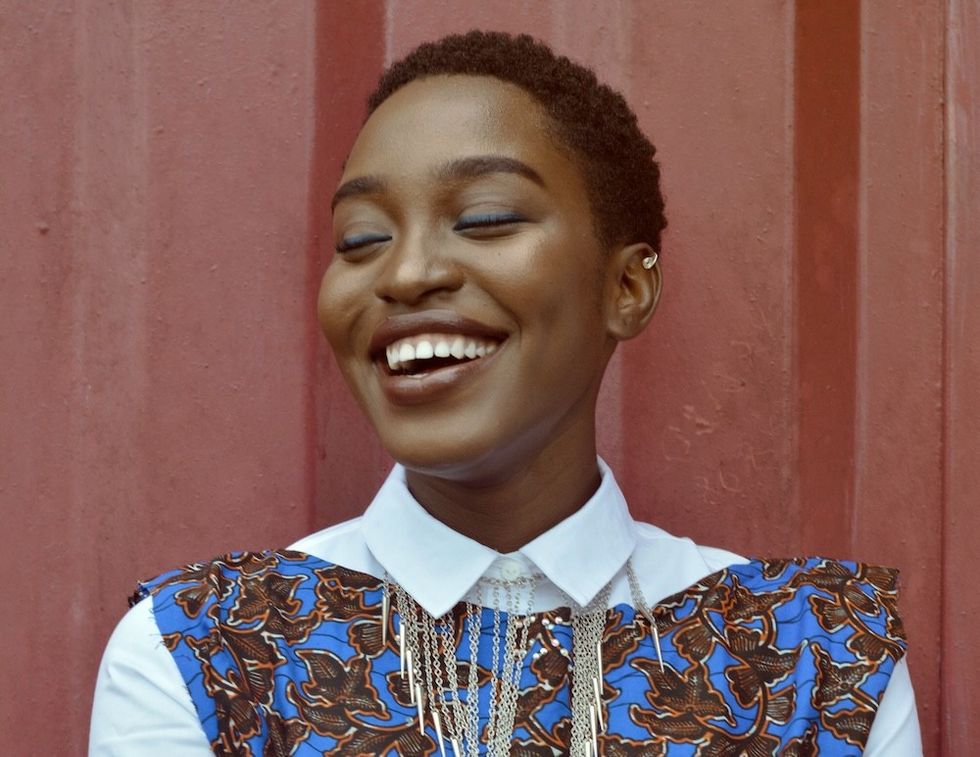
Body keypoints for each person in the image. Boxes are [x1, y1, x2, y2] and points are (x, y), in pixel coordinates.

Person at [90, 30, 921, 756]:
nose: (408, 271)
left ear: (626, 287)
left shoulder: (812, 662)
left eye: (485, 220)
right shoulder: (204, 653)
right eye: (362, 238)